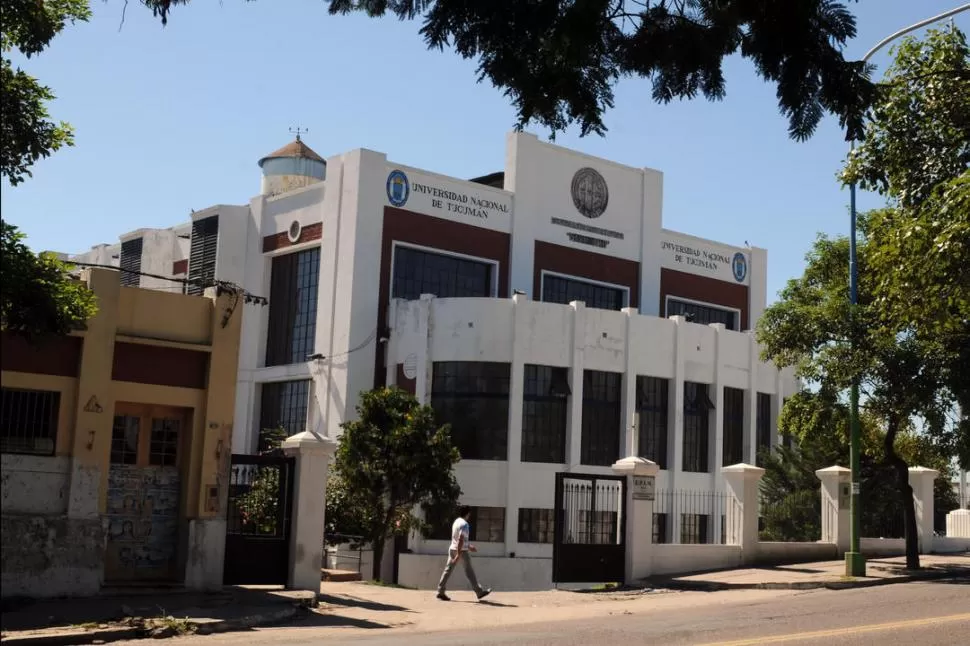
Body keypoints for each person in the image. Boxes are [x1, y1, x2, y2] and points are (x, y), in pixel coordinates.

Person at [436, 506, 491, 601]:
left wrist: (469, 546)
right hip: (461, 551)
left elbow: (459, 538)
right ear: (467, 514)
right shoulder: (465, 524)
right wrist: (459, 554)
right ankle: (479, 592)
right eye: (469, 514)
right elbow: (461, 539)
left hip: (452, 548)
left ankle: (440, 591)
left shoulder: (456, 522)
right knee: (469, 571)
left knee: (448, 570)